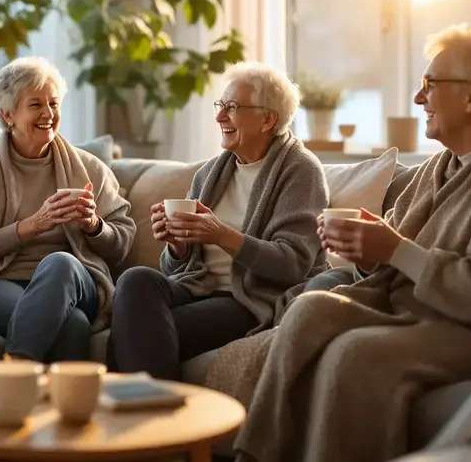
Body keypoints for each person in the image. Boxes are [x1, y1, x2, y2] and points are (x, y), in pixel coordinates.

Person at [206, 24, 471, 462]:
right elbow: (392, 249)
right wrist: (364, 250)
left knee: (355, 353)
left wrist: (391, 248)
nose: (418, 99)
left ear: (470, 97)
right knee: (313, 306)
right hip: (412, 309)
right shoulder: (439, 166)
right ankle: (256, 455)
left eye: (429, 85)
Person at [108, 62, 329, 380]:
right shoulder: (210, 174)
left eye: (232, 107)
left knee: (135, 329)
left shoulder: (301, 171)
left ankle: (150, 416)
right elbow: (176, 270)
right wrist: (178, 245)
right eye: (220, 105)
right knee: (135, 279)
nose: (219, 116)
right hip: (198, 288)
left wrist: (221, 234)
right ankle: (154, 408)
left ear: (267, 119)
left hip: (250, 298)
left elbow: (292, 263)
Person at [0, 57, 135, 362]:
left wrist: (93, 224)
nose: (48, 113)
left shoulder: (90, 169)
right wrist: (32, 225)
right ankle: (63, 407)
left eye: (54, 103)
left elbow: (123, 242)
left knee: (60, 262)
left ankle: (12, 373)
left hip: (75, 282)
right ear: (8, 115)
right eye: (35, 105)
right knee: (73, 326)